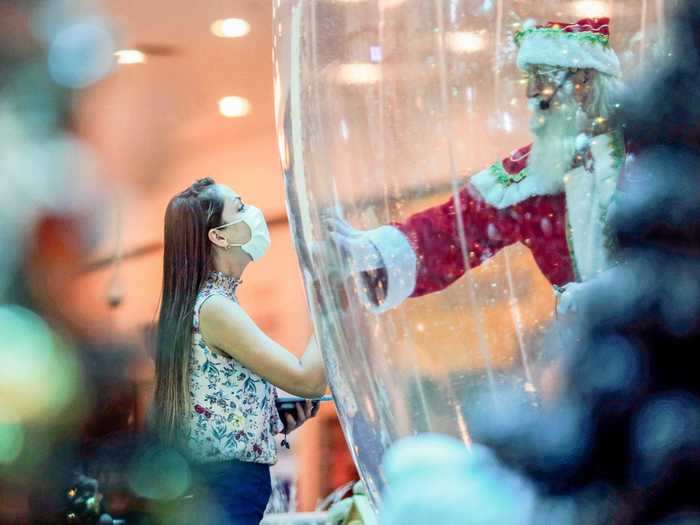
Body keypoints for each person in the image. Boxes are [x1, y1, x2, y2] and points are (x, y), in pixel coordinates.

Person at [328, 17, 626, 315]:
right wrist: (369, 255)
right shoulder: (535, 178)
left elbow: (670, 251)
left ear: (583, 83)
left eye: (543, 80)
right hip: (599, 350)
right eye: (529, 80)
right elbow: (457, 230)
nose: (530, 94)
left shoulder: (653, 153)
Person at [153, 177, 327, 524]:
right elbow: (307, 380)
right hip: (228, 487)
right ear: (219, 236)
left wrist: (271, 418)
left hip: (224, 485)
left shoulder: (206, 304)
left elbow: (212, 407)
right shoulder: (214, 307)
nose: (253, 213)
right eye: (241, 207)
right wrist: (333, 300)